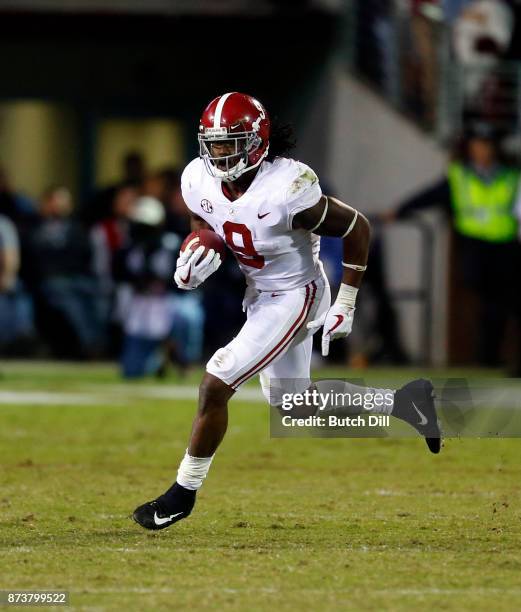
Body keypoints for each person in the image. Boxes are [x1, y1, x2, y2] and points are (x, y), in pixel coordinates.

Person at [132, 92, 442, 531]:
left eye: (230, 143)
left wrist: (346, 300)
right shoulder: (197, 179)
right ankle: (406, 403)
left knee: (216, 381)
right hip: (260, 294)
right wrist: (199, 255)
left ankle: (182, 493)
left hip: (297, 293)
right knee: (296, 406)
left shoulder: (287, 188)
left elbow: (358, 228)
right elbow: (206, 220)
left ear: (255, 143)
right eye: (214, 144)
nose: (219, 154)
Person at [383, 122, 521, 369]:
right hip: (474, 247)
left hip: (506, 247)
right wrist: (400, 209)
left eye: (487, 145)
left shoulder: (511, 176)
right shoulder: (459, 175)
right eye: (478, 145)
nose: (483, 150)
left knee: (500, 304)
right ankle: (487, 357)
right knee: (489, 302)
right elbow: (430, 195)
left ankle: (491, 358)